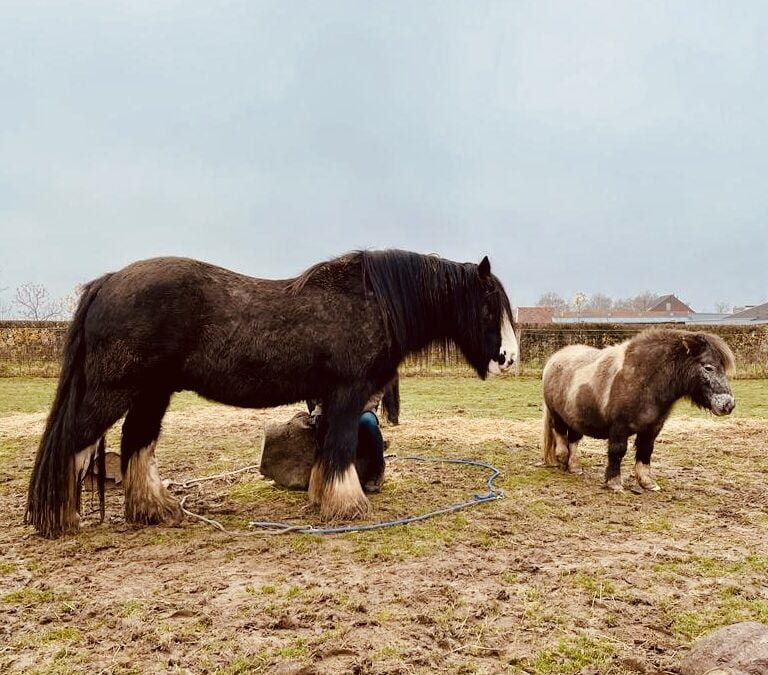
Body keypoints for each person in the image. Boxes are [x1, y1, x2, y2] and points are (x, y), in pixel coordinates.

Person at [308, 375, 399, 493]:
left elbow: (378, 390)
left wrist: (352, 411)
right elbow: (314, 393)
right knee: (322, 425)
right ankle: (324, 473)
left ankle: (377, 469)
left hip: (362, 409)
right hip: (329, 409)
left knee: (368, 422)